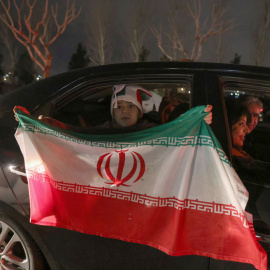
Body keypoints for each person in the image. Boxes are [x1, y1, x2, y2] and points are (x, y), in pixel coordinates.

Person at [16, 84, 213, 133]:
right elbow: (78, 135)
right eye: (119, 107)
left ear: (140, 112)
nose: (125, 111)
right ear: (112, 112)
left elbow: (176, 132)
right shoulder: (103, 130)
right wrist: (52, 125)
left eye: (130, 106)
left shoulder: (150, 131)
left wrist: (194, 122)